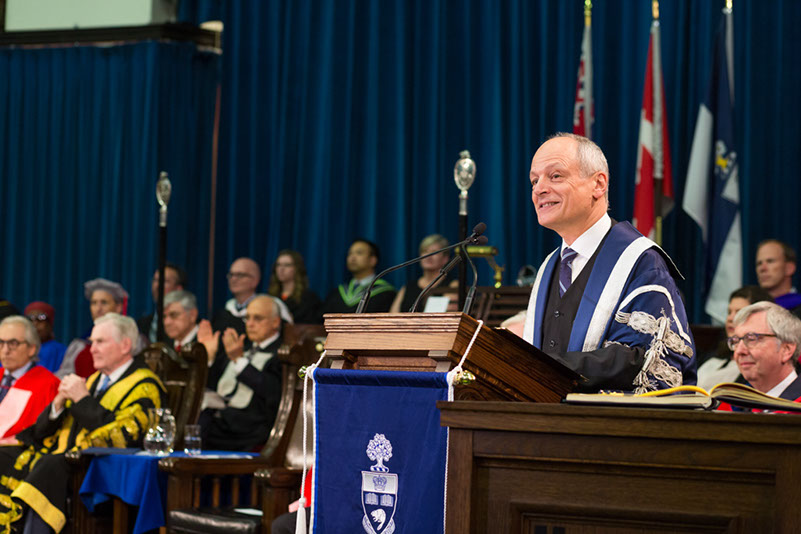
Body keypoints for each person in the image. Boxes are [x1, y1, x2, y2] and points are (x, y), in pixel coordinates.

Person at [521, 133, 696, 393]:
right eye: (535, 180)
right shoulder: (549, 267)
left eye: (555, 176)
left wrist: (538, 368)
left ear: (598, 184)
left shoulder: (641, 262)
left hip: (609, 427)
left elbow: (642, 358)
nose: (539, 188)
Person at [0, 313, 165, 533]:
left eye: (100, 342)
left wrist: (82, 400)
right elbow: (43, 432)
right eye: (91, 342)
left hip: (101, 469)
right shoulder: (96, 379)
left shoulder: (145, 385)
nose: (91, 349)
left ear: (125, 345)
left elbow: (122, 437)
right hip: (66, 457)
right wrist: (58, 404)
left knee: (49, 466)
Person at [198, 295, 282, 451]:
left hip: (250, 429)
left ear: (275, 322)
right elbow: (211, 386)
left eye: (257, 318)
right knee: (193, 421)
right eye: (247, 318)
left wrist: (239, 361)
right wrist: (208, 358)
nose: (249, 324)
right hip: (223, 422)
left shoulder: (282, 355)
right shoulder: (240, 348)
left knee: (198, 427)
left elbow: (273, 393)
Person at [696, 286, 773, 390]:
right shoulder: (713, 355)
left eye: (739, 312)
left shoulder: (757, 367)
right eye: (729, 312)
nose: (730, 318)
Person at [0, 316, 60, 444]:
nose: (5, 350)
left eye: (13, 343)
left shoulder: (48, 384)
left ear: (31, 349)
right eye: (1, 343)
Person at [57, 278, 130, 379]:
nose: (98, 309)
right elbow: (64, 376)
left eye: (104, 302)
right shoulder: (80, 344)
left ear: (118, 307)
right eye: (94, 303)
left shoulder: (131, 340)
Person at [729, 301, 801, 401]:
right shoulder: (732, 403)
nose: (739, 351)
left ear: (786, 349)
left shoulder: (797, 405)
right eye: (735, 341)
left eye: (751, 339)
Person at [320, 239, 396, 316]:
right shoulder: (337, 293)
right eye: (350, 254)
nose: (352, 258)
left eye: (359, 253)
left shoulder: (386, 293)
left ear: (372, 260)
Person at [390, 234, 457, 313]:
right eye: (425, 251)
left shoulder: (453, 285)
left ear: (445, 259)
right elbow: (392, 317)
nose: (429, 256)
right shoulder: (407, 288)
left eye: (434, 252)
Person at [136, 263, 187, 343]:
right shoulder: (143, 323)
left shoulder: (186, 325)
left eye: (165, 281)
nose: (157, 285)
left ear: (178, 288)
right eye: (155, 280)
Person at [268, 250, 322, 324]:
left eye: (287, 265)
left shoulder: (309, 299)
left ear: (297, 268)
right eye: (278, 265)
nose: (281, 269)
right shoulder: (270, 297)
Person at [755, 239, 801, 312]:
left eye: (770, 261)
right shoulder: (752, 309)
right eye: (759, 263)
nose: (762, 268)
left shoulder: (798, 306)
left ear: (789, 268)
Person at [23, 301, 67, 373]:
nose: (35, 323)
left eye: (41, 318)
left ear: (50, 324)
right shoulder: (16, 349)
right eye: (30, 319)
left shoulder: (61, 351)